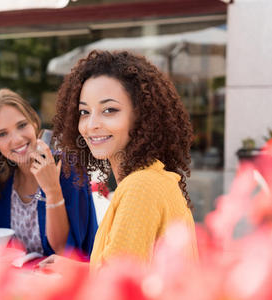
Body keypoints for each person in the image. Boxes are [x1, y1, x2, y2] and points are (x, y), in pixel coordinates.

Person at [40, 50, 198, 270]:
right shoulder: (152, 178)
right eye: (84, 112)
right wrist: (76, 269)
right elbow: (131, 272)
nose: (91, 124)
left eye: (109, 110)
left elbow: (116, 288)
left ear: (142, 115)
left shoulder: (140, 187)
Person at [0, 88, 97, 257]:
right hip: (13, 279)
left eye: (22, 125)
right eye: (2, 134)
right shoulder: (2, 178)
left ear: (34, 122)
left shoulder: (68, 168)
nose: (17, 139)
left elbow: (63, 249)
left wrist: (52, 189)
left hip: (64, 279)